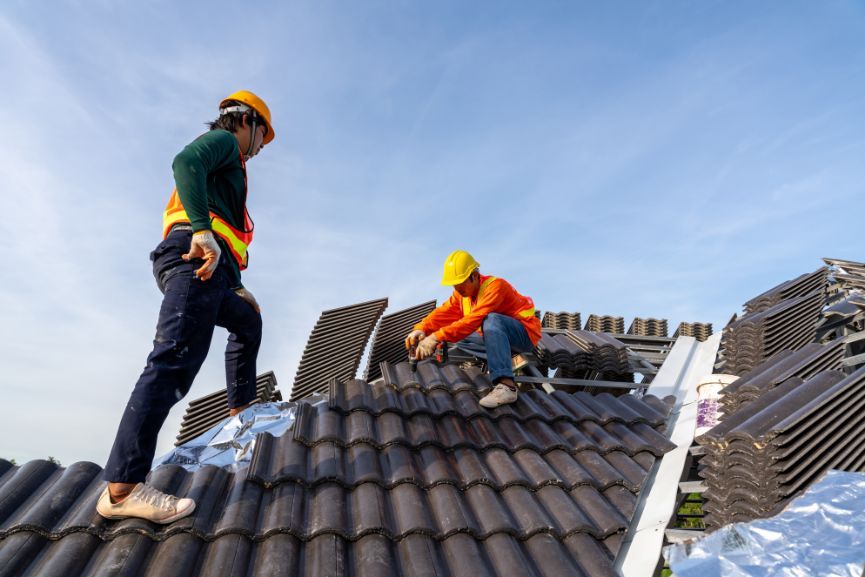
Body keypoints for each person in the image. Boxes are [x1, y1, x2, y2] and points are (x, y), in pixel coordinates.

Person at [96, 90, 275, 523]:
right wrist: (199, 231)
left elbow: (225, 233)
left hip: (214, 270)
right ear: (246, 122)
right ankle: (122, 489)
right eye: (262, 136)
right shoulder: (224, 142)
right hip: (194, 258)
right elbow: (185, 162)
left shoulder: (233, 168)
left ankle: (242, 415)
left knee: (248, 323)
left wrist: (238, 286)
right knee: (173, 360)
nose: (260, 147)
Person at [405, 250, 541, 408]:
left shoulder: (496, 287)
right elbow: (443, 313)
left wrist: (435, 337)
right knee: (459, 337)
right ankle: (501, 357)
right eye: (455, 285)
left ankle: (507, 386)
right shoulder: (461, 296)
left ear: (474, 276)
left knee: (491, 319)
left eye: (461, 283)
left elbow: (474, 319)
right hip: (498, 337)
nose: (458, 288)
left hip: (524, 334)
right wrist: (422, 329)